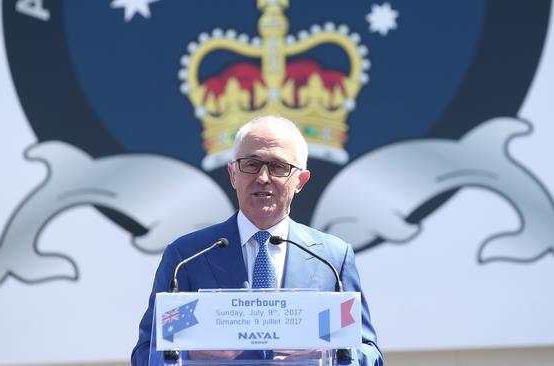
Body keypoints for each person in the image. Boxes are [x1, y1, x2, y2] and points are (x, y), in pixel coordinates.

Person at [131, 115, 383, 366]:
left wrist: (329, 353)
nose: (263, 177)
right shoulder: (187, 257)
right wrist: (188, 355)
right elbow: (146, 354)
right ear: (232, 174)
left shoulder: (332, 258)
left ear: (300, 181)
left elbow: (369, 354)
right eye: (251, 164)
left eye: (278, 166)